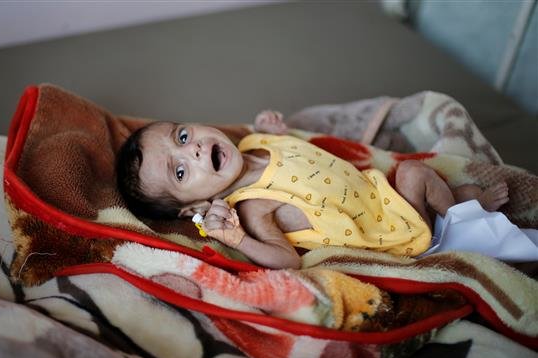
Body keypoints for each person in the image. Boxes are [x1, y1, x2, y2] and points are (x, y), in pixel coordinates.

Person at [116, 111, 509, 269]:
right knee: (413, 174)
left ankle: (454, 209)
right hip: (390, 235)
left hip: (380, 197)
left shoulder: (255, 144)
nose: (195, 148)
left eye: (182, 136)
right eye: (180, 171)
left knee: (415, 175)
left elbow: (303, 158)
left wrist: (277, 133)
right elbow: (288, 262)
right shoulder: (253, 207)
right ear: (194, 207)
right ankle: (454, 221)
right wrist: (236, 238)